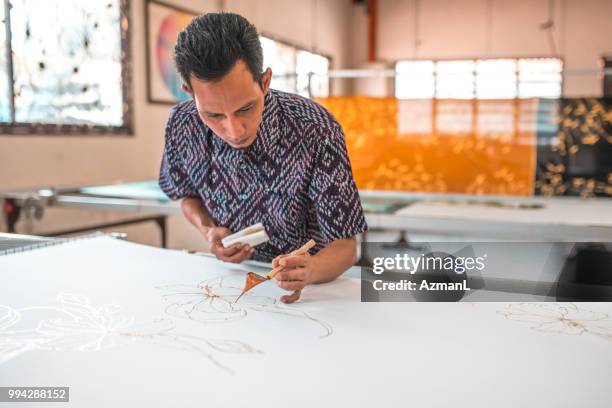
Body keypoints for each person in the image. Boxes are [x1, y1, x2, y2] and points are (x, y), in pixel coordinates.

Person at [159, 12, 366, 303]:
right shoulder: (182, 124)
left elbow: (347, 246)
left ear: (265, 81)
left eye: (245, 108)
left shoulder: (314, 128)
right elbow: (188, 196)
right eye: (213, 114)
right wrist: (209, 231)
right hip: (231, 283)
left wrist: (312, 269)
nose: (233, 130)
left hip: (311, 288)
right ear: (189, 93)